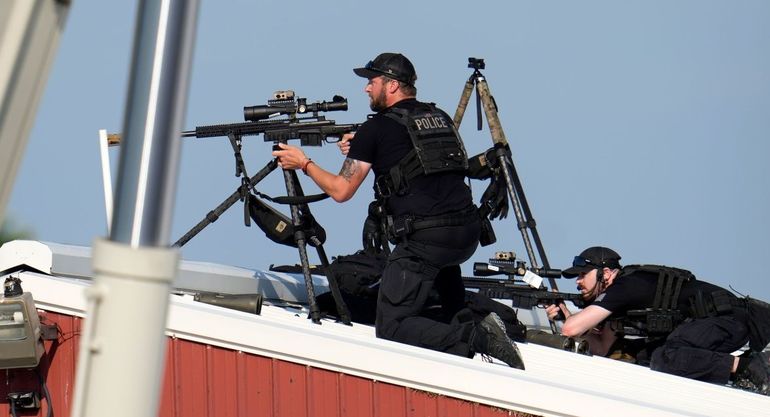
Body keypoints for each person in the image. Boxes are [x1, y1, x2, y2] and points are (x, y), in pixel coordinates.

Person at [272, 52, 524, 369]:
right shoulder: (439, 116)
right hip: (465, 233)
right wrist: (366, 148)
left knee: (392, 326)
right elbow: (416, 159)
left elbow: (341, 190)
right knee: (449, 309)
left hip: (425, 239)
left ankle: (481, 338)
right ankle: (470, 346)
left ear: (391, 85)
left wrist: (303, 164)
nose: (366, 88)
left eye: (371, 81)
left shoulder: (375, 129)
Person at [546, 246, 770, 394]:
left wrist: (568, 320)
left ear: (605, 273)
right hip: (715, 323)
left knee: (666, 356)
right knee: (645, 354)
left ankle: (750, 367)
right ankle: (739, 369)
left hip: (728, 319)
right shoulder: (620, 297)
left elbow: (571, 329)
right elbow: (603, 347)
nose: (577, 281)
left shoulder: (624, 287)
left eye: (582, 274)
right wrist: (569, 321)